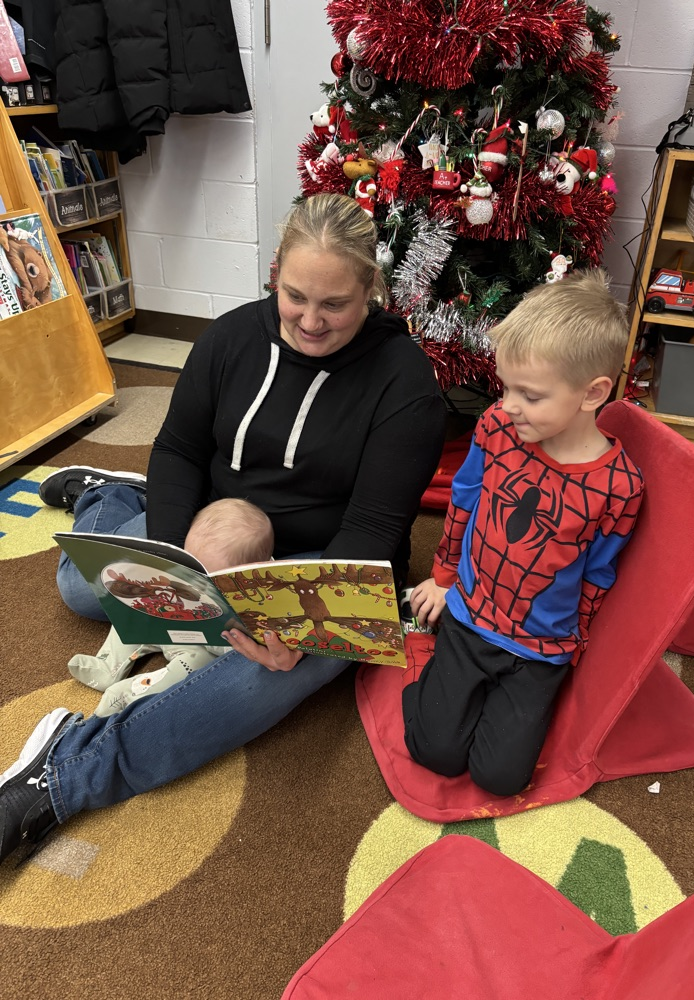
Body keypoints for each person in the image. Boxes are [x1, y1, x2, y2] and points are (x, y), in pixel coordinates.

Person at [0, 192, 446, 864]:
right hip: (220, 526)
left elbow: (377, 525)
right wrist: (176, 561)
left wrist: (295, 627)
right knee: (84, 590)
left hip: (330, 557)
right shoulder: (231, 338)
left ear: (372, 292)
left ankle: (66, 776)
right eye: (295, 296)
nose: (311, 321)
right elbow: (179, 448)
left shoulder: (405, 385)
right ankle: (109, 494)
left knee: (268, 674)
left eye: (336, 305)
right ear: (274, 273)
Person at [402, 270, 644, 797]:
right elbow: (464, 500)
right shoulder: (495, 427)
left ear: (593, 393)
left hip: (541, 647)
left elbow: (601, 569)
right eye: (505, 385)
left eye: (529, 394)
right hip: (469, 615)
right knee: (436, 753)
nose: (508, 404)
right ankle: (435, 679)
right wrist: (443, 578)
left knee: (501, 778)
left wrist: (576, 642)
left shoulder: (620, 487)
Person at [69, 498, 274, 717]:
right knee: (131, 612)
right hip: (168, 618)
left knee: (192, 669)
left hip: (201, 647)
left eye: (210, 579)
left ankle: (127, 694)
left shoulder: (261, 597)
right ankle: (109, 665)